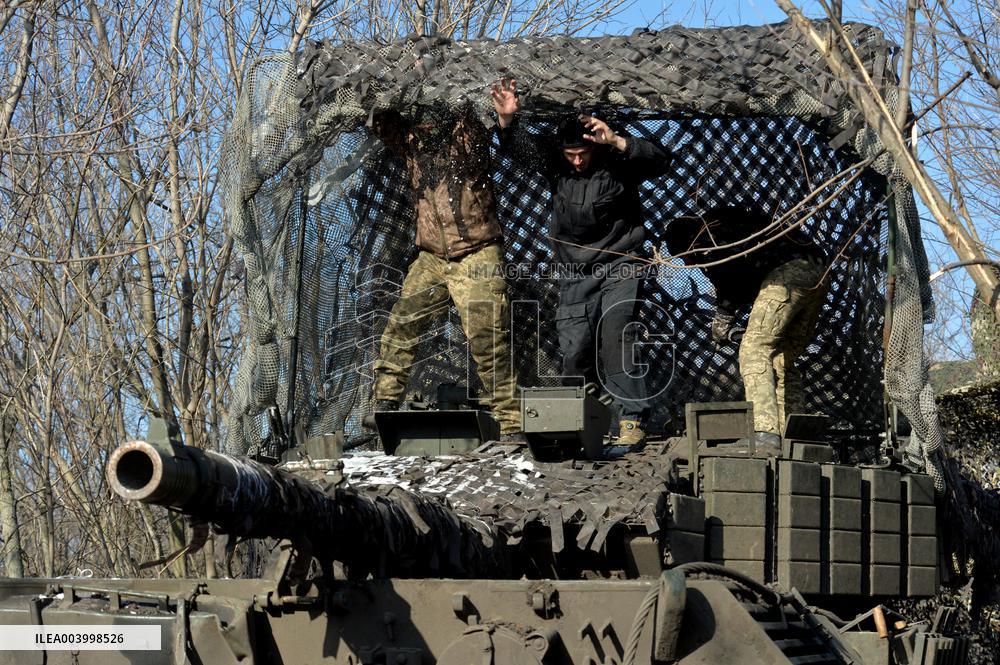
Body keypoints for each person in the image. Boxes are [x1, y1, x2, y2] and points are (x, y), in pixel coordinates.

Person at [492, 78, 671, 447]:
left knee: (617, 335)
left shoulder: (618, 160)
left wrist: (619, 142)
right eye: (570, 154)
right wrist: (507, 123)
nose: (576, 160)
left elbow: (661, 160)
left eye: (582, 154)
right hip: (574, 269)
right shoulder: (555, 163)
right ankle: (586, 420)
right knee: (575, 349)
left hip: (621, 260)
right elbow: (519, 150)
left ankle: (632, 421)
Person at [365, 100, 522, 438]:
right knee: (402, 323)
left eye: (431, 127)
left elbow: (482, 120)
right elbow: (379, 121)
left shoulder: (467, 137)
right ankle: (385, 404)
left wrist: (501, 115)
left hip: (477, 254)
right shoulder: (409, 142)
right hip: (432, 255)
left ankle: (511, 424)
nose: (426, 134)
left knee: (488, 339)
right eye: (420, 128)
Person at [664, 206, 828, 444]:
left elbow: (735, 275)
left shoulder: (709, 237)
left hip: (789, 272)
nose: (688, 263)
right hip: (819, 271)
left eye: (684, 257)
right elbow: (745, 273)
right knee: (781, 357)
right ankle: (793, 434)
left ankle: (765, 433)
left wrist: (724, 316)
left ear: (687, 244)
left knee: (754, 348)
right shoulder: (726, 220)